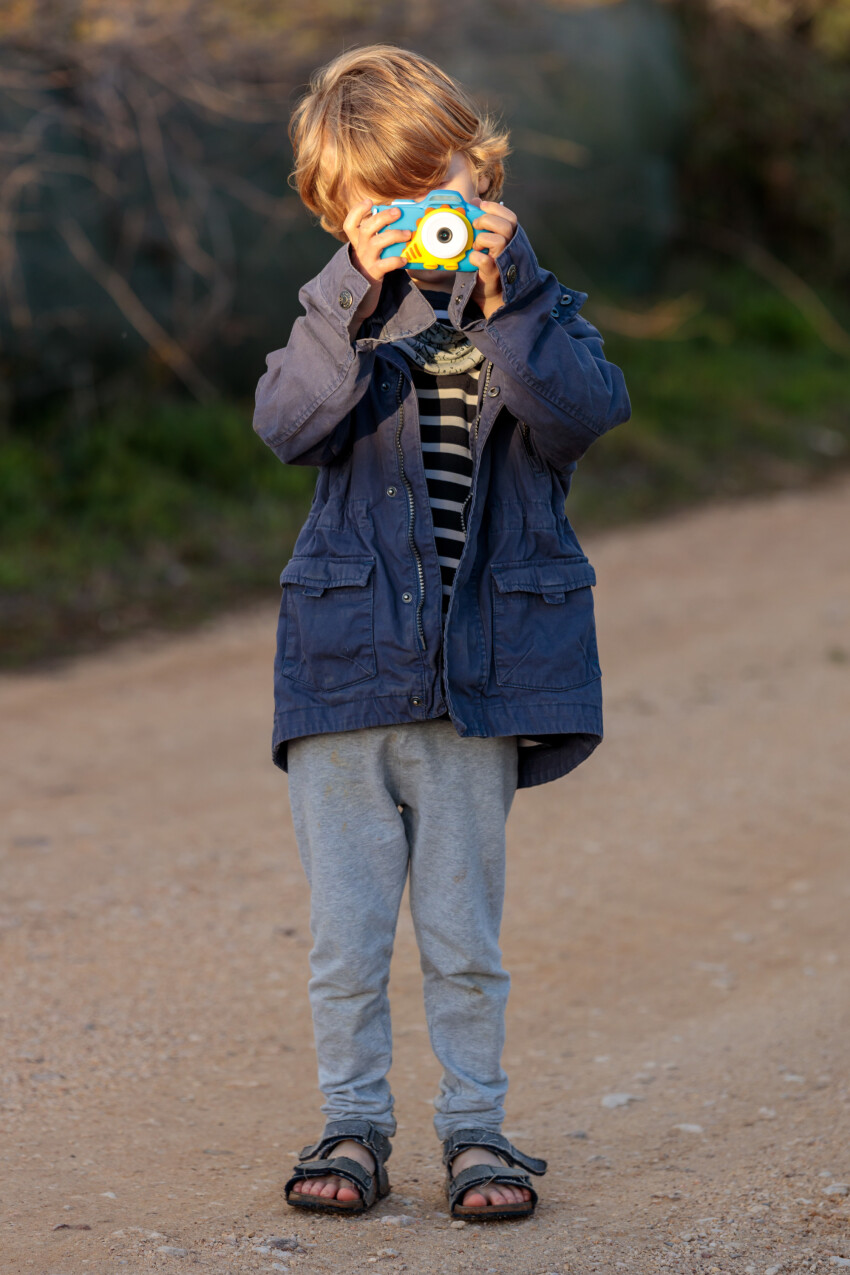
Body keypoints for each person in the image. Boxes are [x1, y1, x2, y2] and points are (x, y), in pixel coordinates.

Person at [252, 43, 631, 1221]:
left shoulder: (533, 301)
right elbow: (287, 424)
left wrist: (506, 295)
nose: (418, 219)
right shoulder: (333, 312)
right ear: (337, 213)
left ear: (482, 169)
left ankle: (478, 1131)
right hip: (344, 669)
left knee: (465, 936)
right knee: (347, 940)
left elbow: (578, 413)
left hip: (476, 676)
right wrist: (357, 298)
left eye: (438, 188)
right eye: (383, 205)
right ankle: (352, 1124)